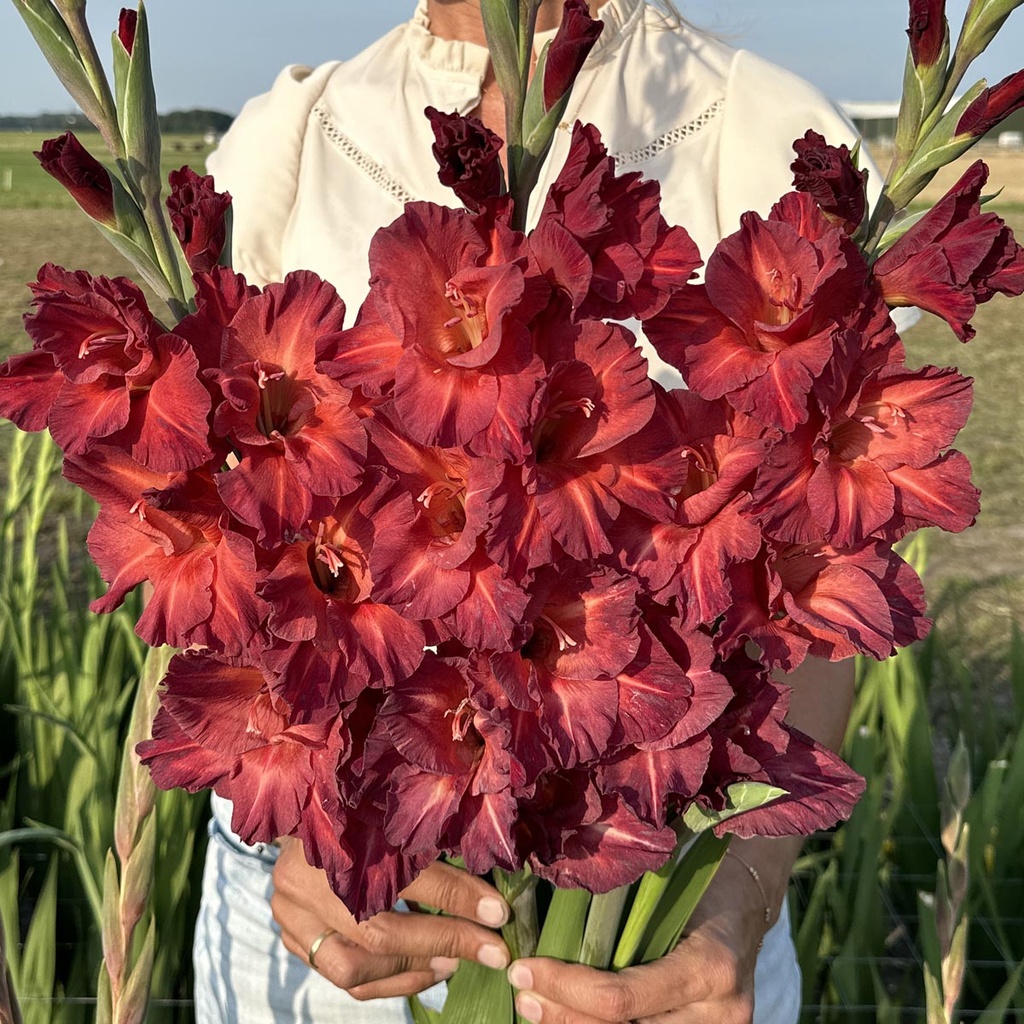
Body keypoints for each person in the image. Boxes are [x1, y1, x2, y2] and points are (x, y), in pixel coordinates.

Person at [197, 1, 875, 1020]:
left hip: (644, 936)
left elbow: (826, 589)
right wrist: (309, 825)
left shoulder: (766, 133)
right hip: (314, 919)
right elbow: (214, 547)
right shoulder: (285, 144)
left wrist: (736, 899)